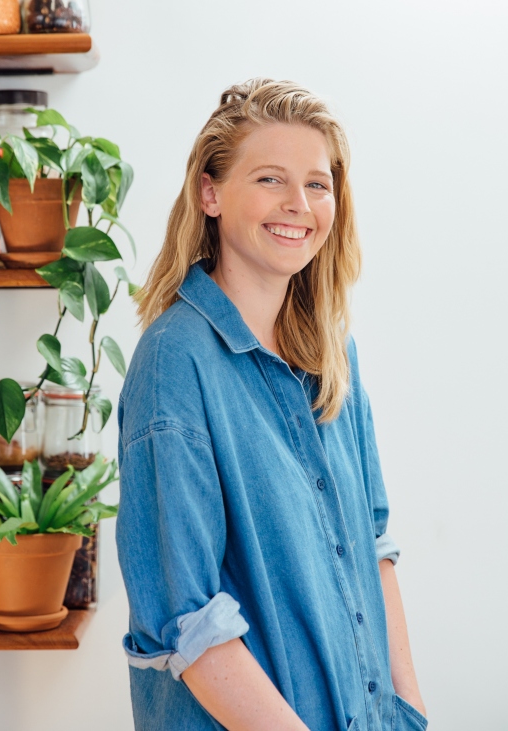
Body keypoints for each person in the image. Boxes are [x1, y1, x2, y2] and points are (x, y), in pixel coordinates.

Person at [116, 78, 426, 731]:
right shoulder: (176, 363)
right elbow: (191, 623)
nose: (298, 204)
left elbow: (372, 547)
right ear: (210, 192)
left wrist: (410, 711)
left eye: (317, 183)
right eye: (269, 179)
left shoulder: (334, 352)